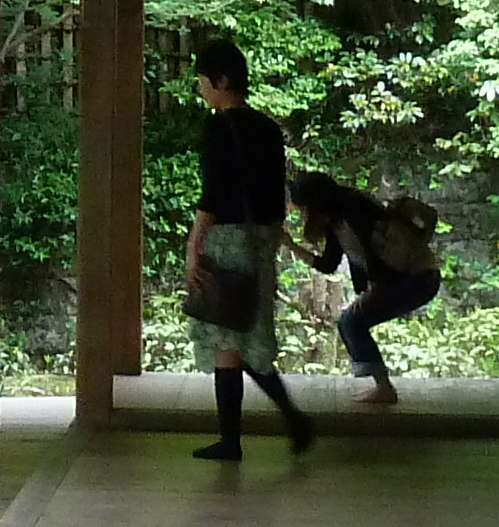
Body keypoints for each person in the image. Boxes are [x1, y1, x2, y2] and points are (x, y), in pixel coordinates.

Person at [181, 34, 312, 460]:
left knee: (226, 337)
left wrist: (194, 247)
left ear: (221, 81)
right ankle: (288, 420)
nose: (201, 88)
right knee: (246, 338)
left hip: (227, 239)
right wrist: (275, 238)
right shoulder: (268, 129)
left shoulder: (218, 128)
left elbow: (213, 195)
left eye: (203, 80)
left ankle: (236, 438)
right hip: (261, 239)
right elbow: (276, 193)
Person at [290, 169, 441, 407]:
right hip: (413, 276)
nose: (303, 215)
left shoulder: (353, 209)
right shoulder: (338, 220)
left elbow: (378, 249)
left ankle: (384, 389)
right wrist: (291, 246)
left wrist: (377, 284)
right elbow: (328, 265)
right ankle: (383, 387)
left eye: (304, 209)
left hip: (417, 277)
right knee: (351, 321)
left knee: (352, 321)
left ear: (316, 204)